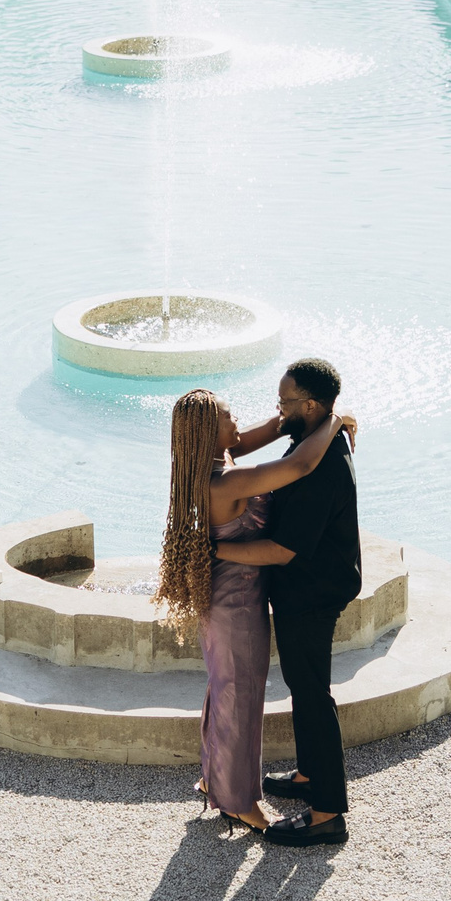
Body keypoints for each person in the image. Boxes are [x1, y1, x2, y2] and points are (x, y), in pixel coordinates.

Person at [155, 387, 350, 832]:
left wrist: (299, 415)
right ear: (210, 431)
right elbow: (299, 466)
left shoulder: (209, 465)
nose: (237, 422)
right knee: (240, 696)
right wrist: (335, 420)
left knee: (226, 688)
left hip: (225, 599)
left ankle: (215, 778)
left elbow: (261, 434)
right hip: (237, 605)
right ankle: (239, 802)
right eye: (228, 417)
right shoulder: (227, 482)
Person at [211, 358, 359, 847]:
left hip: (312, 593)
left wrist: (212, 550)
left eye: (285, 402)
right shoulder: (310, 435)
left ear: (310, 405)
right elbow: (265, 444)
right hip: (302, 588)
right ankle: (309, 775)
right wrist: (332, 419)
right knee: (302, 684)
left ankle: (327, 813)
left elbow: (282, 550)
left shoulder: (320, 463)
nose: (278, 410)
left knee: (313, 694)